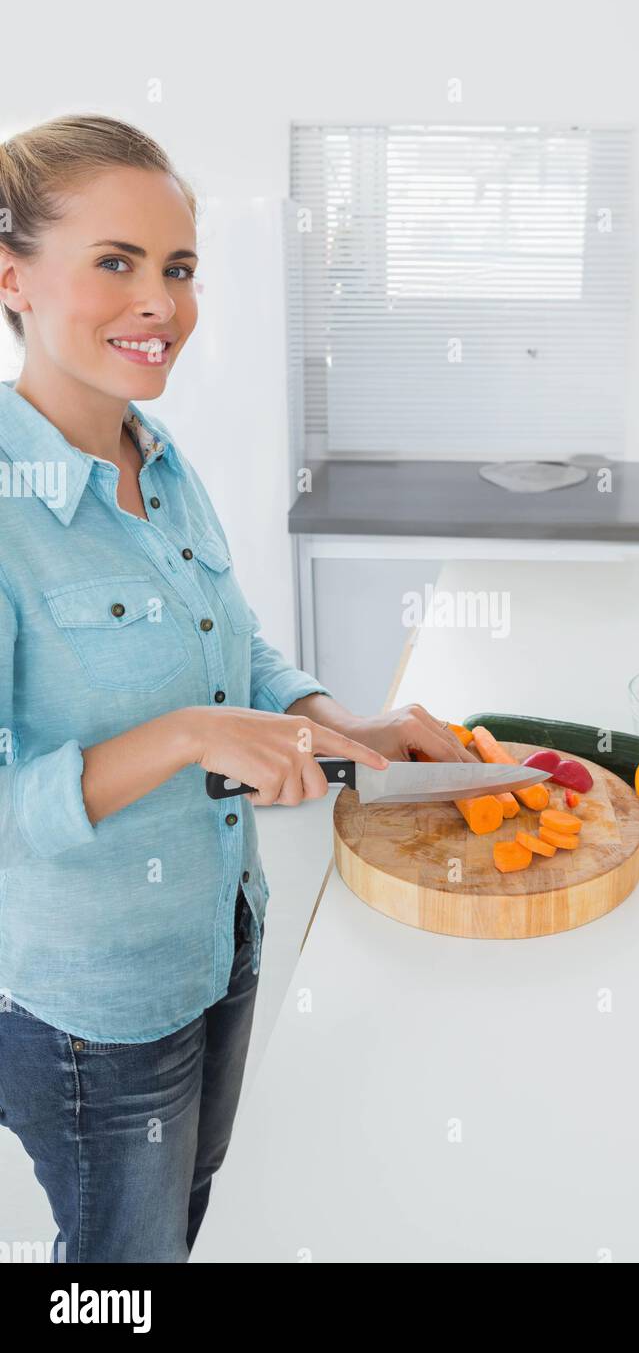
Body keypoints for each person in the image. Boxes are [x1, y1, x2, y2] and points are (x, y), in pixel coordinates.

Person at [0, 113, 477, 1262]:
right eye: (115, 262)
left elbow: (240, 648)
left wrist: (342, 724)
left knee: (181, 1216)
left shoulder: (159, 461)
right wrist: (185, 735)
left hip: (218, 940)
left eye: (177, 268)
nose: (160, 301)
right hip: (94, 1011)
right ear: (11, 278)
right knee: (123, 1266)